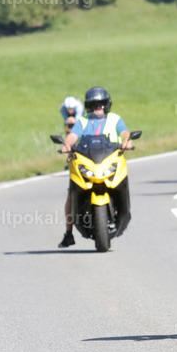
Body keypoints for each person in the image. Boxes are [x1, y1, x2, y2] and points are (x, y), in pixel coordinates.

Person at [57, 86, 134, 248]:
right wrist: (67, 145)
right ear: (88, 106)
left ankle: (122, 210)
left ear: (107, 104)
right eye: (94, 104)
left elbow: (125, 133)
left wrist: (128, 141)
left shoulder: (114, 119)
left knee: (122, 183)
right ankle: (69, 233)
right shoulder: (82, 121)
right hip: (88, 161)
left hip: (111, 160)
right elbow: (72, 136)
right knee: (71, 193)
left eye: (101, 104)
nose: (98, 108)